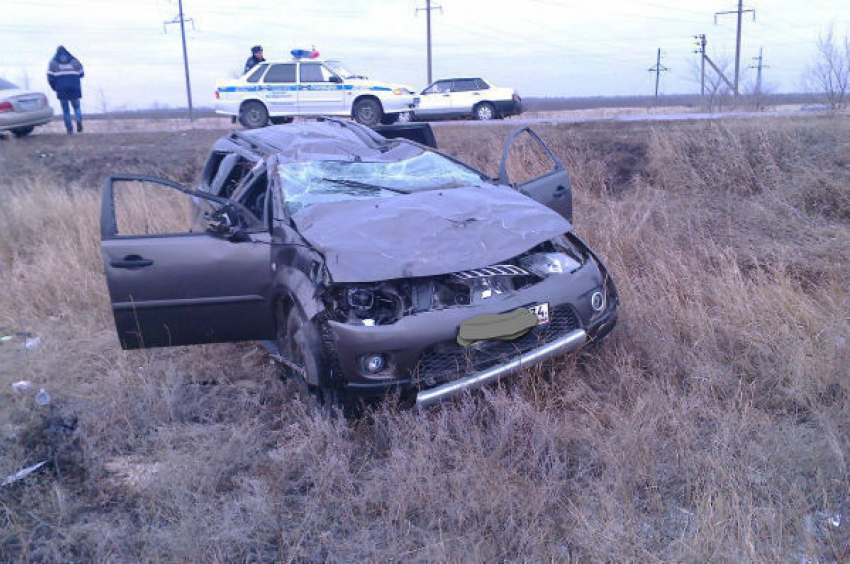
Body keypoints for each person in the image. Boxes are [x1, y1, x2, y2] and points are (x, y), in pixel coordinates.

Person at [47, 46, 84, 135]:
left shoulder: (53, 63)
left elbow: (50, 78)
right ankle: (78, 120)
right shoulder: (75, 61)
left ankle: (70, 130)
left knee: (66, 111)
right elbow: (82, 74)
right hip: (74, 88)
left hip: (61, 89)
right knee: (77, 108)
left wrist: (54, 87)